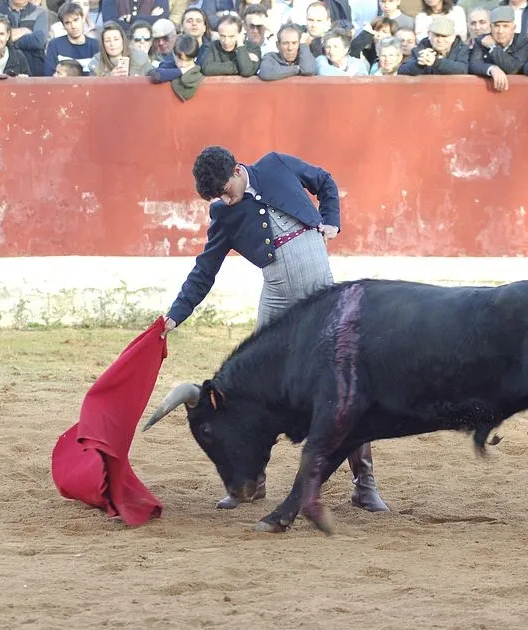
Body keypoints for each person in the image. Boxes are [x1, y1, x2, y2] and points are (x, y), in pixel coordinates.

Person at [163, 145, 391, 514]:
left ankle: (364, 485)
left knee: (345, 387)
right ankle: (251, 484)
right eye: (218, 196)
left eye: (226, 190)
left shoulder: (275, 165)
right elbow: (204, 270)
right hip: (278, 299)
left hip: (321, 295)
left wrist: (331, 218)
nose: (224, 199)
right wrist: (175, 315)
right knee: (253, 391)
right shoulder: (224, 214)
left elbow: (324, 181)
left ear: (238, 171)